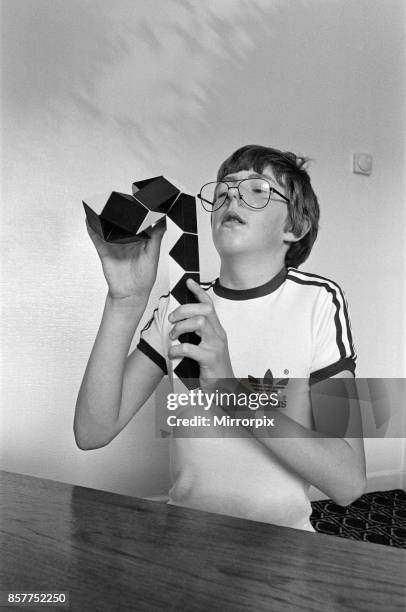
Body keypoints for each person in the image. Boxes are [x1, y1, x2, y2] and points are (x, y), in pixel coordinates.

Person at [74, 144, 366, 532]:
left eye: (257, 190)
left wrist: (227, 387)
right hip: (187, 542)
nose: (232, 195)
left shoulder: (319, 301)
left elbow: (348, 482)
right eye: (224, 189)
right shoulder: (179, 306)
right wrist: (124, 302)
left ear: (294, 227)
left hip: (283, 547)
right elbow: (92, 432)